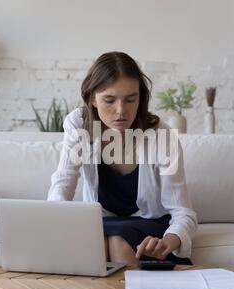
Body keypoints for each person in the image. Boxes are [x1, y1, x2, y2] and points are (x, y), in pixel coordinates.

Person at [47, 51, 197, 267]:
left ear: (140, 98)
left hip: (150, 225)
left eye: (130, 99)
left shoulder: (161, 136)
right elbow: (63, 181)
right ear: (92, 99)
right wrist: (57, 221)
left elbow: (183, 212)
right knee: (97, 239)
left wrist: (169, 240)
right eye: (109, 100)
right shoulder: (80, 125)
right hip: (99, 224)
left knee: (118, 239)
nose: (121, 111)